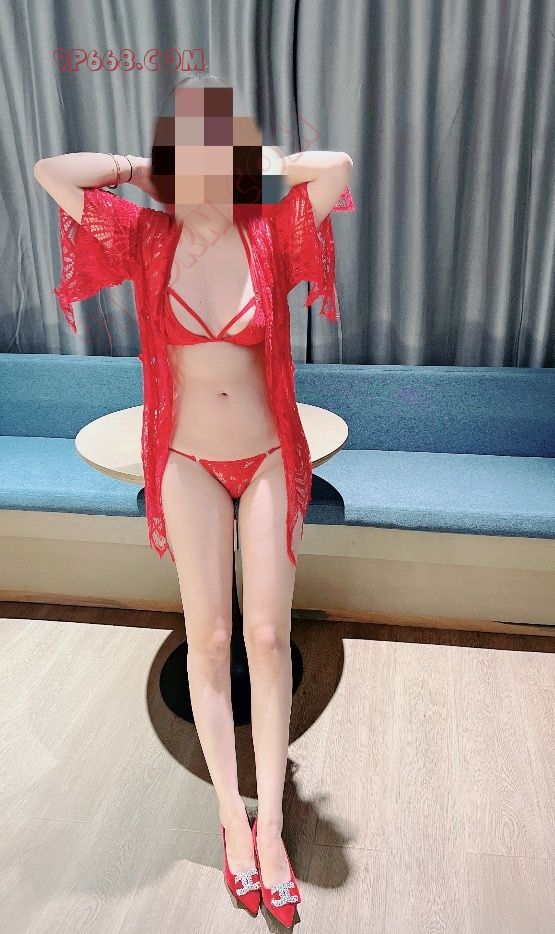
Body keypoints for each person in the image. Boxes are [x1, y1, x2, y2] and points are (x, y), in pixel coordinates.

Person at [34, 72, 355, 927]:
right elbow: (53, 173)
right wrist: (139, 167)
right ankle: (230, 818)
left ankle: (273, 825)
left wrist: (255, 162)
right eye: (187, 149)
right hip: (184, 460)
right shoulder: (145, 236)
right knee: (208, 640)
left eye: (218, 149)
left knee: (267, 636)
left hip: (268, 456)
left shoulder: (273, 232)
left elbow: (336, 166)